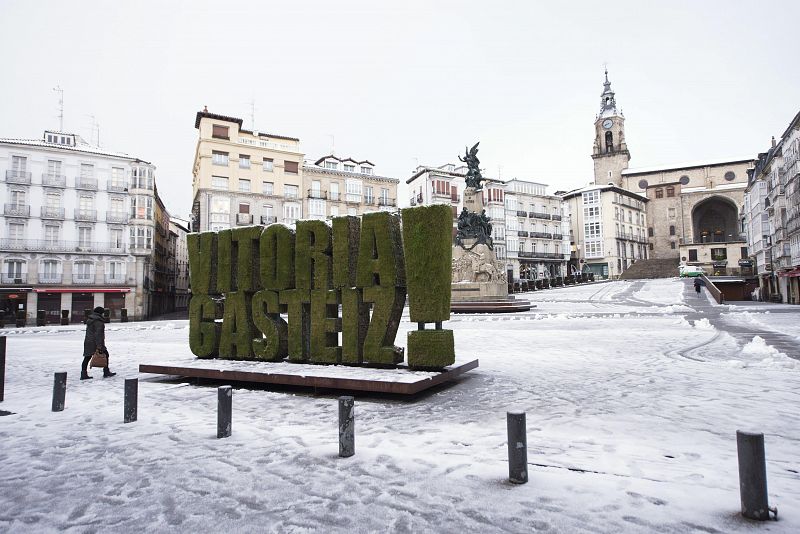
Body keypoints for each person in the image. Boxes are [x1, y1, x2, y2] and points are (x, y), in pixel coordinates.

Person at [82, 306, 116, 379]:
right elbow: (98, 334)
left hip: (88, 341)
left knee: (87, 357)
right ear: (101, 313)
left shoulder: (90, 319)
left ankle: (83, 374)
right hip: (95, 342)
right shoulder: (98, 321)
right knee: (106, 355)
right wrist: (100, 346)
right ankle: (106, 372)